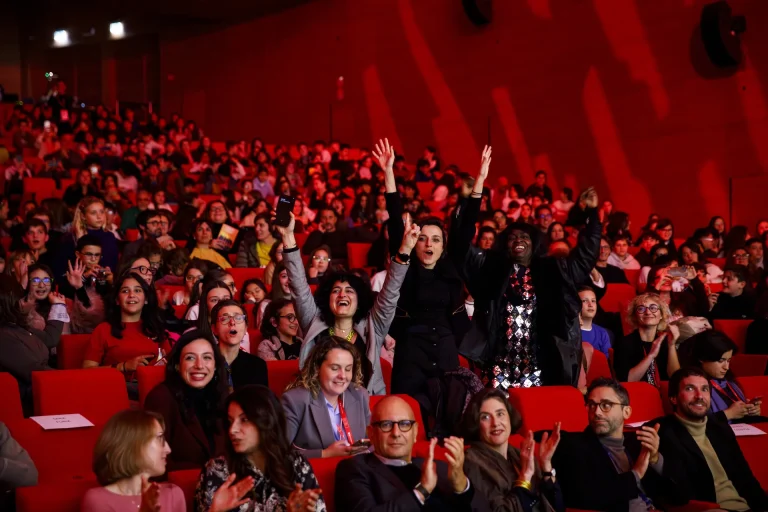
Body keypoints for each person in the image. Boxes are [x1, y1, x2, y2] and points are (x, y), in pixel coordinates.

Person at [453, 146, 601, 387]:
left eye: (525, 237)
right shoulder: (490, 268)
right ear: (505, 244)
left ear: (535, 245)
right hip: (497, 367)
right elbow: (459, 245)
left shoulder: (554, 270)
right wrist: (469, 201)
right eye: (513, 237)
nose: (519, 240)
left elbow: (585, 257)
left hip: (541, 366)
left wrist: (592, 215)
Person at [373, 138, 478, 431]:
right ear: (414, 242)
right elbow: (395, 220)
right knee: (408, 419)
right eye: (422, 238)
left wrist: (478, 184)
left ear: (443, 246)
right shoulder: (405, 267)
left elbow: (466, 227)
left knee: (448, 421)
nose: (428, 243)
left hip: (445, 352)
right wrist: (389, 172)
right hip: (411, 353)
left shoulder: (450, 268)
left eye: (435, 239)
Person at [278, 209, 414, 396]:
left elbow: (390, 292)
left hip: (365, 409)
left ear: (359, 302)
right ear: (327, 299)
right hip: (320, 408)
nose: (342, 295)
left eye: (349, 291)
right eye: (336, 291)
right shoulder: (313, 322)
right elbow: (299, 288)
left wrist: (404, 252)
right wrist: (287, 237)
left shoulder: (373, 327)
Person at [553, 378, 686, 512]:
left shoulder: (639, 442)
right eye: (592, 404)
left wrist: (655, 459)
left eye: (606, 405)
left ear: (626, 412)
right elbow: (587, 498)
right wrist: (636, 474)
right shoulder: (575, 446)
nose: (597, 412)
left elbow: (680, 497)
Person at [335, 395, 485, 511]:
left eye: (404, 424)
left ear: (415, 432)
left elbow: (484, 508)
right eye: (386, 425)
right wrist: (422, 491)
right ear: (371, 433)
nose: (396, 433)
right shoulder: (354, 469)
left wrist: (461, 485)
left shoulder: (439, 468)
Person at [194, 385, 325, 512]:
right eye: (230, 422)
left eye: (244, 420)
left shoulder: (297, 464)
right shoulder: (216, 470)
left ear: (267, 422)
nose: (232, 430)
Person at [656, 368, 768, 511]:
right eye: (690, 388)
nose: (699, 396)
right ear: (673, 398)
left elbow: (746, 478)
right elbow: (676, 494)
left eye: (704, 389)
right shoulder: (662, 431)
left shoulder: (719, 429)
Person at [460, 388, 564, 512]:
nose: (495, 423)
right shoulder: (471, 462)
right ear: (476, 424)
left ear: (510, 417)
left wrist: (546, 467)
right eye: (485, 417)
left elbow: (558, 507)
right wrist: (524, 477)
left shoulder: (519, 454)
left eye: (500, 414)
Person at [144, 330, 229, 472]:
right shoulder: (161, 398)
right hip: (179, 487)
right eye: (190, 358)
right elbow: (152, 461)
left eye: (207, 358)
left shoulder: (221, 396)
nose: (199, 365)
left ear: (215, 365)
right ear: (177, 365)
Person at [82, 272, 171, 397]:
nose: (131, 295)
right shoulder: (103, 330)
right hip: (120, 389)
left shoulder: (156, 328)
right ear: (117, 300)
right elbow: (87, 371)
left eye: (137, 290)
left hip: (155, 388)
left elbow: (171, 365)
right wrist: (123, 366)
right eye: (125, 291)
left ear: (145, 299)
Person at [282, 336, 371, 458]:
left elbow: (372, 442)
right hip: (315, 473)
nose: (343, 376)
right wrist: (325, 454)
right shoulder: (295, 400)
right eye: (335, 368)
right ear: (317, 368)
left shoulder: (359, 394)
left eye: (348, 369)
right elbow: (278, 452)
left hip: (357, 472)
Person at [81, 410, 186, 512]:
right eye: (160, 438)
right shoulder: (98, 500)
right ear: (133, 444)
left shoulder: (173, 494)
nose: (168, 449)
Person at [0, 274, 66, 414]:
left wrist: (58, 305)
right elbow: (36, 372)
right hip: (28, 406)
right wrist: (78, 379)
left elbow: (49, 339)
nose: (26, 301)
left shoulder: (17, 327)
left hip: (46, 393)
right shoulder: (4, 335)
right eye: (22, 297)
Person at [679, 330, 762, 422]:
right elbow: (693, 422)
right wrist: (728, 414)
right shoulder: (691, 384)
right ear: (702, 358)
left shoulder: (728, 381)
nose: (726, 367)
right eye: (720, 361)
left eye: (728, 360)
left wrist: (749, 410)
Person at [614, 293, 681, 385]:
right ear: (635, 316)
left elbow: (676, 379)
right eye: (641, 309)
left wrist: (671, 345)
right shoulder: (624, 342)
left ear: (661, 315)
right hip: (638, 394)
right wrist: (650, 356)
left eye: (653, 308)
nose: (648, 312)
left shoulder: (666, 341)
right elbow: (627, 381)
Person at [24, 262, 104, 334]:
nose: (41, 285)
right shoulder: (21, 309)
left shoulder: (64, 304)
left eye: (46, 280)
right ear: (27, 282)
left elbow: (89, 320)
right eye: (36, 280)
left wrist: (79, 287)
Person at [211, 300, 268, 389]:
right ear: (214, 329)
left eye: (238, 318)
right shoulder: (205, 362)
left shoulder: (257, 365)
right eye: (224, 318)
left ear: (245, 328)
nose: (232, 322)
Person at [578, 286, 612, 358]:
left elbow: (605, 363)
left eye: (593, 301)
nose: (590, 305)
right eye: (584, 301)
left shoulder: (602, 333)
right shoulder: (570, 332)